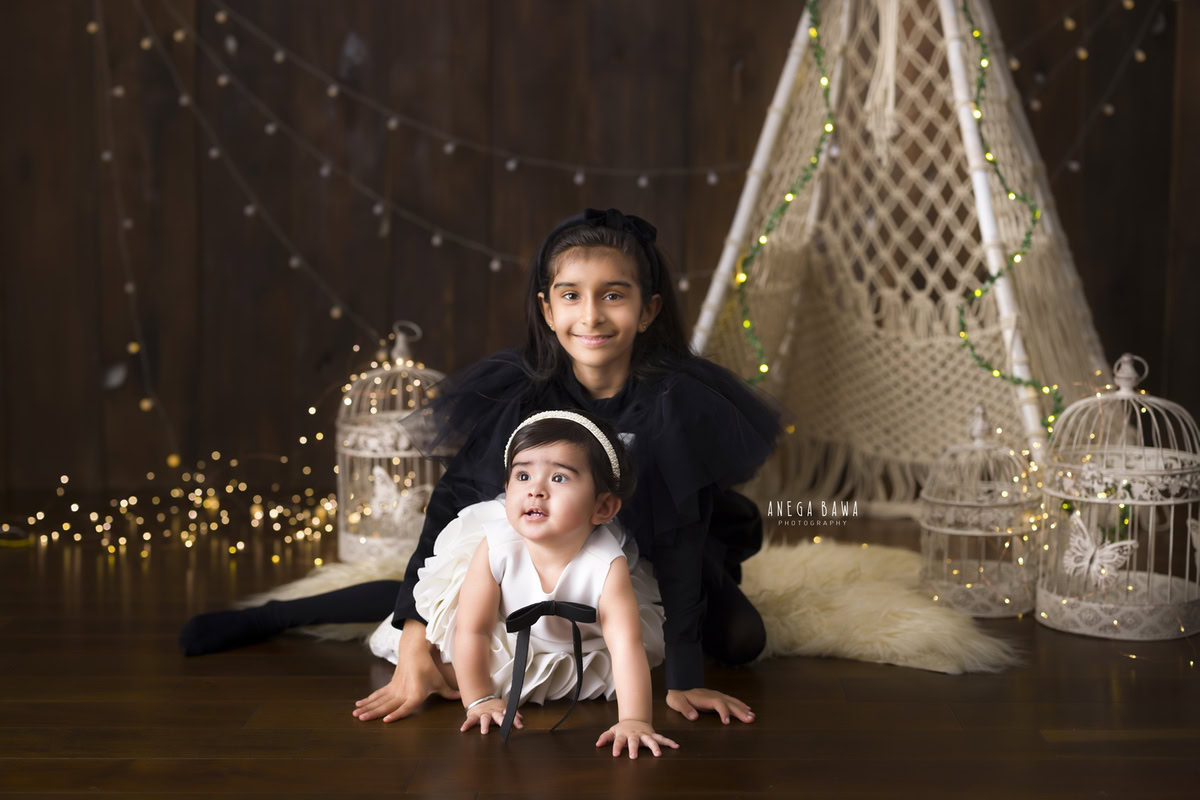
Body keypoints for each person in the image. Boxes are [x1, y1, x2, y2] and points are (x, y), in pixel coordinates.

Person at [182, 207, 781, 728]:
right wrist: (415, 635)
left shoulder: (677, 402)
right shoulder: (521, 396)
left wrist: (681, 677)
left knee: (740, 639)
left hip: (645, 541)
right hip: (550, 537)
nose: (591, 316)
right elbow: (450, 503)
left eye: (613, 295)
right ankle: (278, 615)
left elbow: (681, 534)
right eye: (572, 295)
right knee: (465, 592)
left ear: (647, 311)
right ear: (548, 310)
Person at [387, 408, 678, 757]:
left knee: (617, 677)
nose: (536, 491)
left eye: (559, 478)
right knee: (447, 672)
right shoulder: (497, 546)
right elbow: (472, 629)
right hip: (502, 634)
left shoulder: (607, 565)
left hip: (576, 645)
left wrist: (635, 720)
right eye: (522, 476)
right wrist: (478, 700)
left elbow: (625, 645)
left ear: (602, 507)